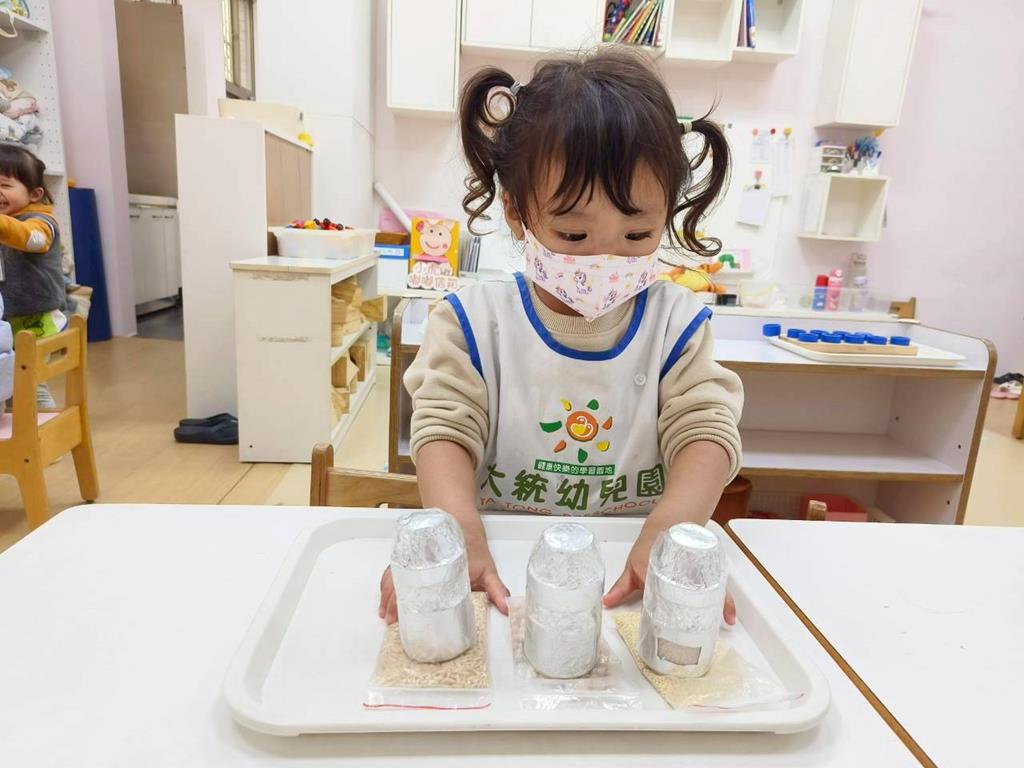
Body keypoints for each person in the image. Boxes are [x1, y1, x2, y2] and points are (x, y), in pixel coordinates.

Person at [379, 48, 743, 624]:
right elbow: (445, 426)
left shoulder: (676, 324)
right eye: (574, 235)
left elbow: (706, 430)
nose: (605, 258)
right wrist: (456, 535)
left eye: (638, 234)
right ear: (517, 211)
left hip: (631, 567)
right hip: (502, 564)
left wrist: (671, 535)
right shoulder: (474, 321)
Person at [0, 144, 66, 409]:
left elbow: (31, 239)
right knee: (8, 384)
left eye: (4, 185)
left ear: (35, 193)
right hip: (7, 319)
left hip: (36, 319)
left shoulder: (41, 221)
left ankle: (42, 430)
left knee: (29, 385)